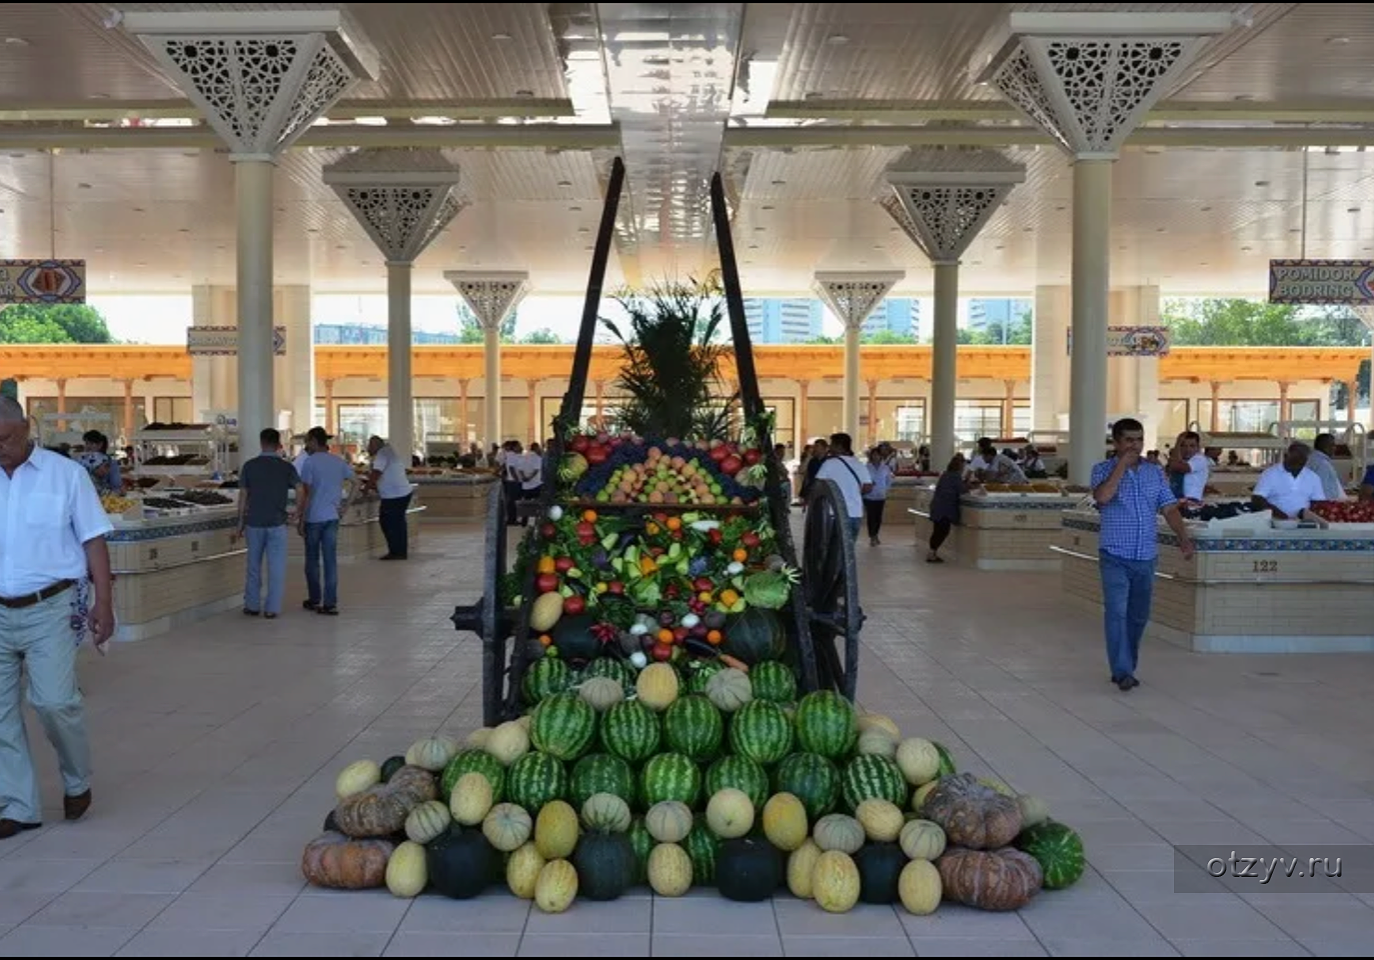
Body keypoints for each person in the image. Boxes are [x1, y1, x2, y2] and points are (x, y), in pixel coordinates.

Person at [0, 396, 113, 838]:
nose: (0, 448)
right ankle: (18, 804)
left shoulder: (66, 475)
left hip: (51, 607)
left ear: (26, 428)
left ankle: (76, 778)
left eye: (5, 438)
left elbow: (93, 541)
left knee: (53, 702)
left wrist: (103, 602)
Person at [1091, 417, 1195, 692]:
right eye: (1129, 440)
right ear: (1116, 443)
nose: (1135, 445)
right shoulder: (1102, 469)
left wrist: (1183, 538)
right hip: (1114, 554)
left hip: (1146, 556)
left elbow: (1169, 508)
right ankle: (1122, 671)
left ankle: (1128, 663)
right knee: (1116, 612)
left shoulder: (1154, 473)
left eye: (1139, 439)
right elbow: (1102, 498)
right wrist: (1121, 468)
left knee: (1138, 616)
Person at [235, 428, 306, 619]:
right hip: (277, 523)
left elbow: (243, 495)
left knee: (253, 566)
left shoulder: (250, 466)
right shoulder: (286, 467)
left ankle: (252, 605)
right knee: (276, 567)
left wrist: (240, 522)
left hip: (254, 523)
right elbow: (300, 489)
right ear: (278, 444)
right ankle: (272, 608)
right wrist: (297, 513)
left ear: (261, 442)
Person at [298, 427, 357, 616]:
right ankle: (330, 602)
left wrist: (301, 519)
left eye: (308, 441)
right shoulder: (338, 462)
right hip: (332, 516)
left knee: (312, 560)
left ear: (314, 441)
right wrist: (346, 507)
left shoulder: (310, 462)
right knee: (330, 560)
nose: (306, 445)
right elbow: (357, 482)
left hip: (314, 517)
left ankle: (315, 598)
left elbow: (307, 493)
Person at [815, 432, 872, 541]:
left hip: (835, 513)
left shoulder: (829, 464)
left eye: (832, 444)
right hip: (855, 513)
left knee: (835, 549)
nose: (830, 447)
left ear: (839, 446)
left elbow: (818, 486)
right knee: (849, 549)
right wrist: (854, 492)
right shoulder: (859, 464)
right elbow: (868, 487)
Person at [365, 435, 413, 560]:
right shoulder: (388, 451)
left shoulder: (382, 454)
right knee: (397, 524)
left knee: (389, 523)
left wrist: (366, 488)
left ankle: (396, 552)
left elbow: (376, 473)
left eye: (370, 445)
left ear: (376, 445)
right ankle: (400, 551)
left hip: (395, 496)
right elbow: (385, 475)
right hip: (401, 493)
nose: (368, 447)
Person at [1251, 442, 1325, 520]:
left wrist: (1307, 515)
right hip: (1274, 522)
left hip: (1304, 523)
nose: (1296, 466)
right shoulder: (1270, 474)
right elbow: (1257, 499)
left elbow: (1318, 503)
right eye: (1293, 461)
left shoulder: (1313, 477)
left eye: (1300, 462)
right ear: (1286, 456)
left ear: (1306, 460)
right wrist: (1282, 517)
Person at [927, 453, 968, 563]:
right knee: (943, 531)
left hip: (937, 506)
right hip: (945, 509)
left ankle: (932, 552)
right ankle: (932, 553)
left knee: (937, 531)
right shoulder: (956, 476)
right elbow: (962, 490)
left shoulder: (945, 475)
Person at [863, 444, 895, 546]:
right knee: (871, 516)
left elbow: (889, 480)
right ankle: (872, 536)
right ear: (871, 456)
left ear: (880, 456)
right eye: (873, 455)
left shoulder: (885, 468)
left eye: (877, 455)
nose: (875, 457)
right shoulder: (866, 467)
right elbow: (862, 480)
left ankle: (876, 534)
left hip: (880, 496)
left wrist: (885, 489)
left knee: (878, 517)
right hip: (869, 496)